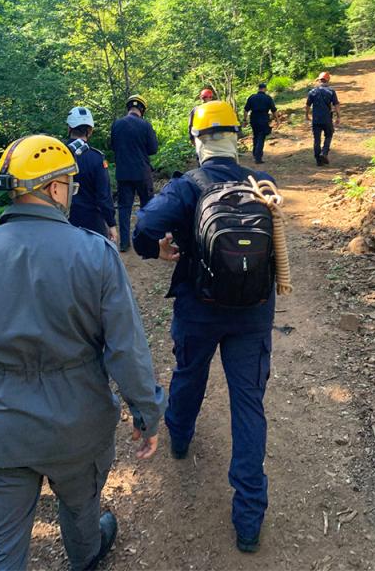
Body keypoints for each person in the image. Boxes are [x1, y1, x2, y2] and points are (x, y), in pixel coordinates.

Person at [0, 134, 163, 571]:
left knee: (0, 551)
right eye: (68, 182)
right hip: (77, 419)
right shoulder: (95, 253)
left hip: (0, 424)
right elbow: (125, 348)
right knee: (81, 507)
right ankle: (85, 556)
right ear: (53, 188)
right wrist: (147, 413)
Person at [132, 100, 275, 554]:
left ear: (198, 141)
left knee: (190, 374)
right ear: (235, 136)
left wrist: (163, 253)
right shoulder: (263, 183)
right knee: (248, 404)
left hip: (199, 306)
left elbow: (142, 233)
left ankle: (180, 437)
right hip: (252, 312)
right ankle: (249, 518)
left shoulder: (185, 187)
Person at [110, 94, 159, 252]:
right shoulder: (145, 125)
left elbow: (112, 146)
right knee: (147, 206)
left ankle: (124, 243)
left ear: (128, 108)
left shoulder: (116, 124)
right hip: (142, 172)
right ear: (142, 109)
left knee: (124, 207)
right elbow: (153, 149)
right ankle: (146, 240)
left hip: (123, 172)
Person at [65, 107, 117, 242]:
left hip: (62, 223)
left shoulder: (56, 154)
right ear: (90, 131)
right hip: (92, 225)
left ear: (69, 128)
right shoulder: (96, 158)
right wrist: (111, 223)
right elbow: (103, 196)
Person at [305, 71, 340, 166]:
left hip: (316, 119)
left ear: (319, 80)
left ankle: (318, 160)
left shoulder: (312, 91)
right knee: (329, 135)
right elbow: (336, 104)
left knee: (317, 139)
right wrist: (338, 116)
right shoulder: (331, 91)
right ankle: (324, 153)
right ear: (327, 80)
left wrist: (307, 115)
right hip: (327, 119)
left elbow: (307, 105)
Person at [242, 83, 278, 164]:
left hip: (254, 118)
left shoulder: (252, 97)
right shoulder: (268, 98)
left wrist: (244, 120)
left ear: (258, 88)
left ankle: (255, 154)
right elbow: (274, 110)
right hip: (263, 118)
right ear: (265, 88)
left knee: (255, 136)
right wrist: (277, 119)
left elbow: (246, 110)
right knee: (261, 137)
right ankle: (258, 157)